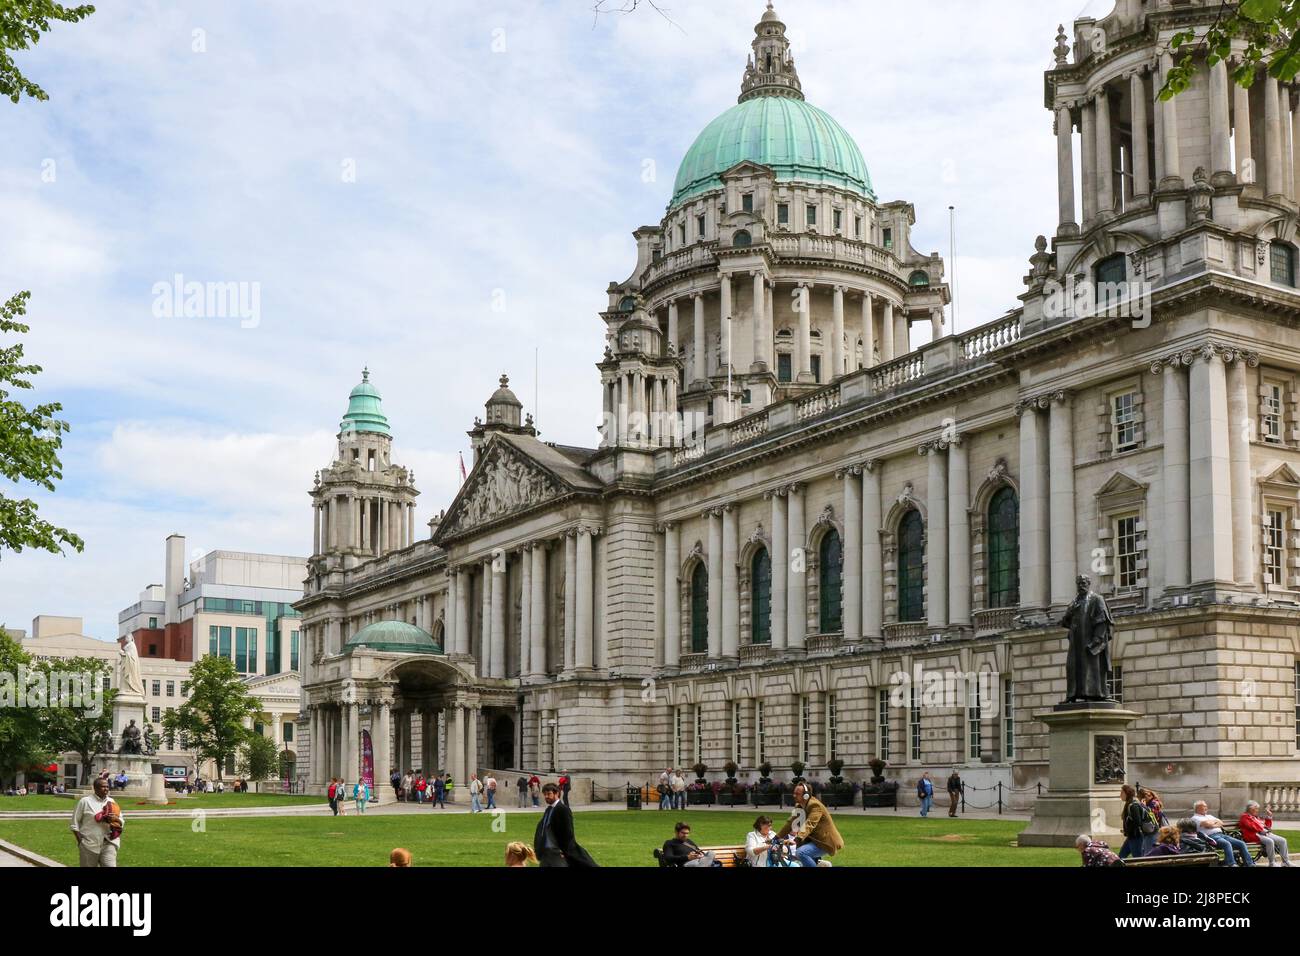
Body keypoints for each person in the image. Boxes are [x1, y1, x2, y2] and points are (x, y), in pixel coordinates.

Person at [776, 781, 844, 867]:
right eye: (794, 793)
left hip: (825, 841)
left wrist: (797, 838)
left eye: (797, 794)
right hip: (814, 841)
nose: (794, 796)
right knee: (802, 854)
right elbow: (791, 823)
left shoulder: (815, 806)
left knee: (801, 853)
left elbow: (809, 824)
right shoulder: (799, 806)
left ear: (806, 795)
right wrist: (776, 837)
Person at [533, 782, 598, 867]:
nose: (546, 797)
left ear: (557, 793)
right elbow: (543, 830)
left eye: (549, 794)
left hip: (557, 853)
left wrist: (565, 851)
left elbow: (568, 833)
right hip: (546, 853)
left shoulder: (563, 809)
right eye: (545, 794)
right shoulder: (549, 810)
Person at [70, 776, 122, 868]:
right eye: (103, 786)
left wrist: (114, 819)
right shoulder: (85, 801)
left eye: (107, 787)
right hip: (89, 845)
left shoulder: (112, 802)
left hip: (109, 843)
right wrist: (81, 842)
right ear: (95, 788)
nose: (106, 789)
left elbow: (121, 821)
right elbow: (74, 824)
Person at [1191, 800, 1254, 867]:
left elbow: (1221, 823)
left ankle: (1249, 864)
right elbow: (1206, 824)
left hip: (1222, 835)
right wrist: (1213, 823)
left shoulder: (1209, 816)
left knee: (1241, 843)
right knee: (1227, 844)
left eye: (1206, 806)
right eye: (1204, 806)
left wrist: (1212, 824)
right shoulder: (1195, 818)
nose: (1207, 807)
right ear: (1198, 808)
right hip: (1211, 837)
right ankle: (1231, 864)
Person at [1238, 801, 1291, 866]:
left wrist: (1269, 817)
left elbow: (1266, 827)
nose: (1257, 810)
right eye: (1256, 808)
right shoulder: (1244, 817)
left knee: (1283, 840)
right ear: (1251, 809)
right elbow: (1251, 826)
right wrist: (1262, 829)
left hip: (1263, 834)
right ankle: (1272, 863)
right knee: (1270, 841)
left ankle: (1285, 862)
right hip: (1254, 835)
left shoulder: (1255, 817)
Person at [1119, 785, 1155, 858]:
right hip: (1131, 836)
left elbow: (1137, 822)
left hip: (1136, 837)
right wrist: (1126, 830)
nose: (1120, 795)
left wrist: (1128, 830)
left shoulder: (1133, 806)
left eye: (1122, 793)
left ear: (1127, 794)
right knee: (1121, 857)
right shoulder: (1129, 804)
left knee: (1138, 858)